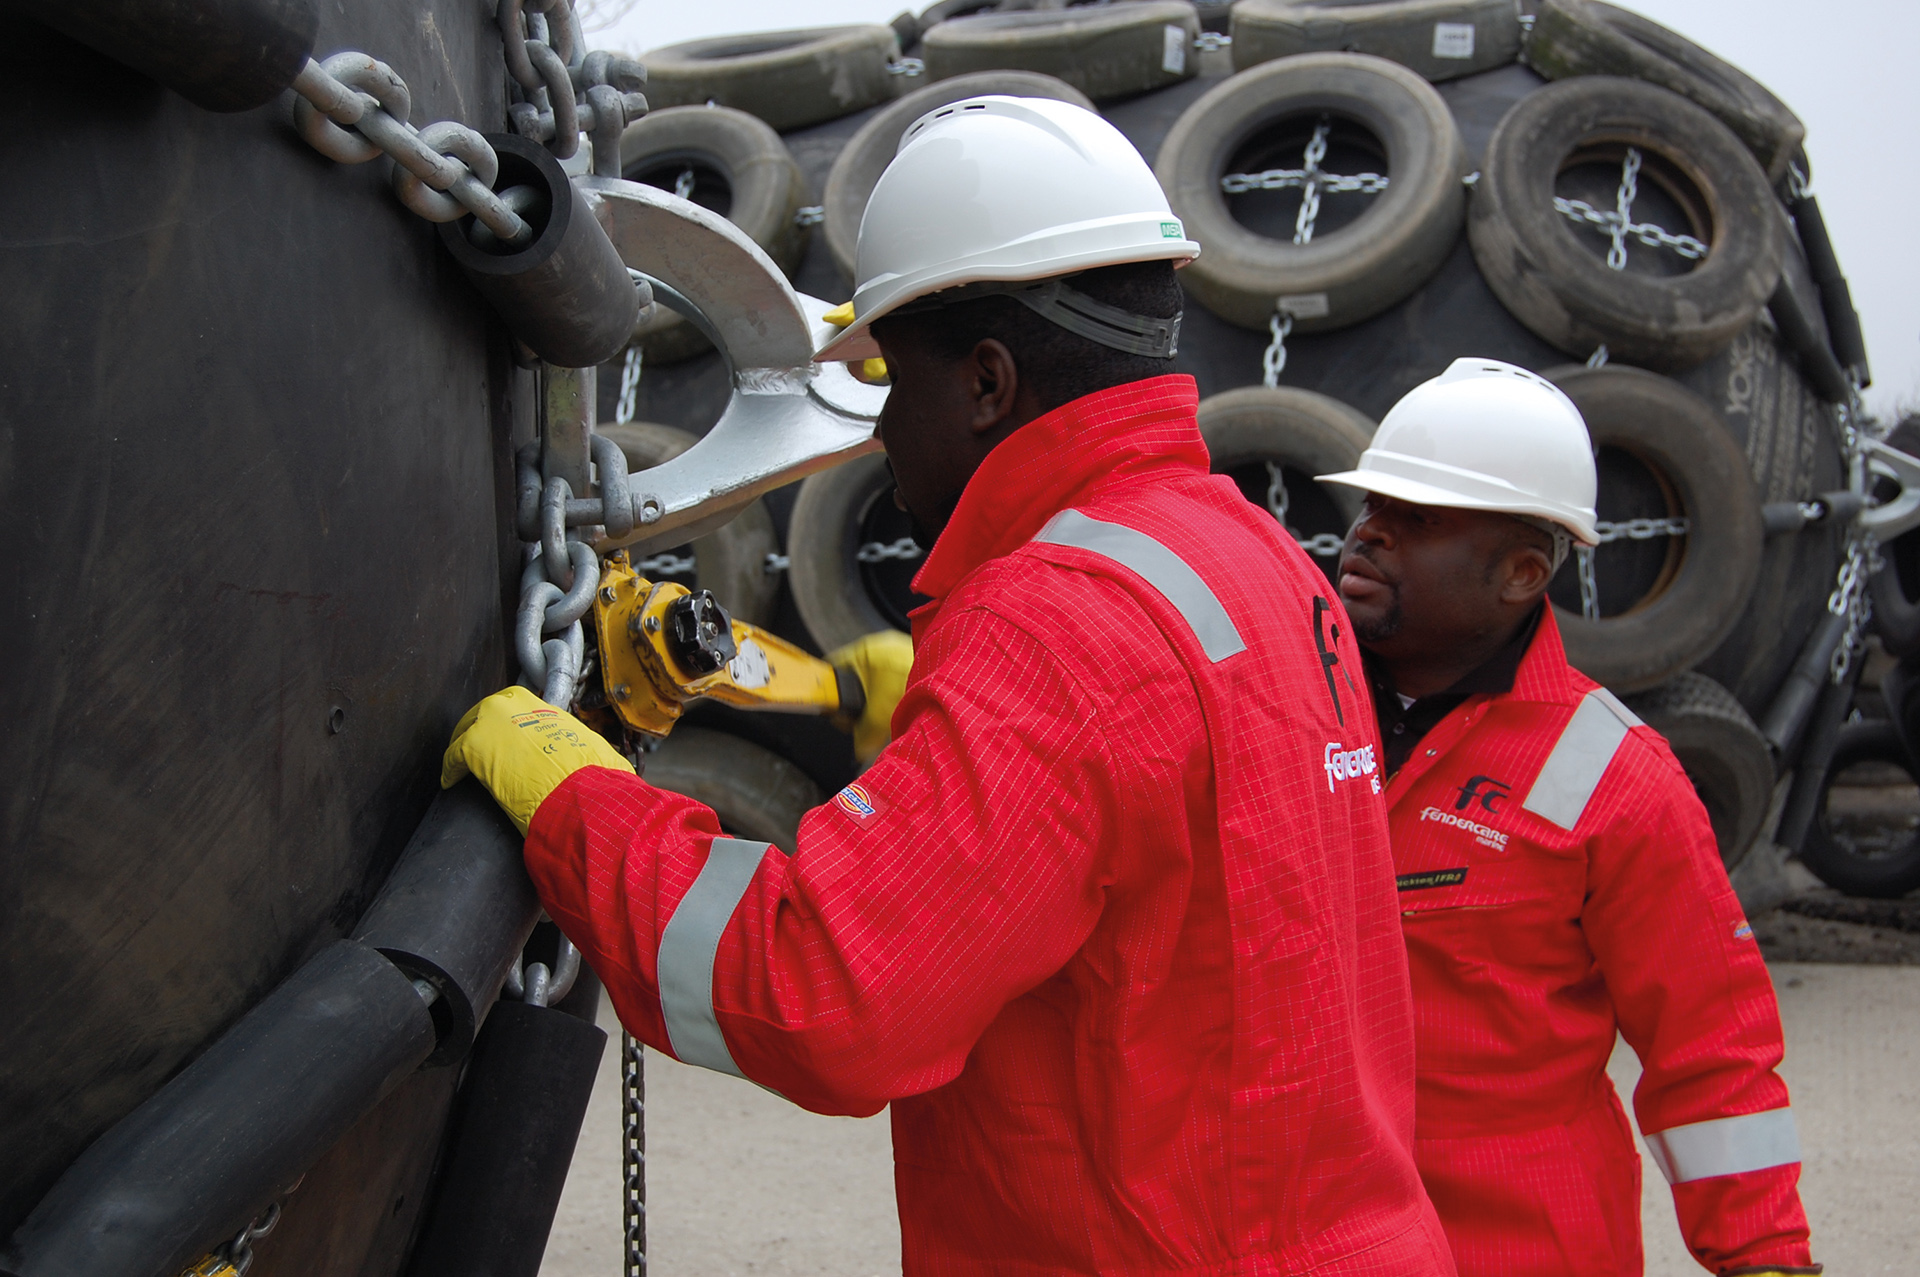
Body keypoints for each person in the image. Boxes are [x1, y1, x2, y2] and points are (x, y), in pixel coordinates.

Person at [444, 96, 1453, 1272]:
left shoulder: (1053, 622)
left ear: (986, 381)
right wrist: (946, 752)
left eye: (892, 381)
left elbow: (825, 994)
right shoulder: (1263, 560)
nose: (881, 430)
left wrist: (578, 804)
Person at [1317, 358, 1818, 1277]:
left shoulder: (1615, 777)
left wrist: (1765, 1259)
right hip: (1312, 1235)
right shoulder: (1281, 712)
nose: (1369, 533)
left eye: (1418, 519)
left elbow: (1713, 1052)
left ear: (1521, 573)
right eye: (1373, 505)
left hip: (1517, 1246)